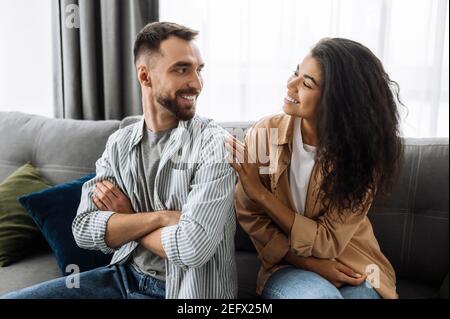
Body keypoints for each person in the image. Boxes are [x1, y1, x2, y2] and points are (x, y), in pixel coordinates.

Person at [3, 22, 237, 299]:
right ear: (145, 76)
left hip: (181, 292)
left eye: (199, 70)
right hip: (123, 276)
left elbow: (192, 247)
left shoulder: (214, 145)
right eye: (182, 69)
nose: (197, 84)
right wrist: (159, 218)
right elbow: (84, 228)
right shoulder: (120, 143)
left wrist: (127, 221)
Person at [226, 38, 402, 299]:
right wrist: (309, 264)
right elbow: (251, 216)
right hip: (287, 265)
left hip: (354, 262)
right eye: (296, 73)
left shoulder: (363, 155)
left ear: (337, 102)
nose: (290, 85)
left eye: (307, 83)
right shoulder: (265, 134)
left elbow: (327, 242)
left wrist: (261, 195)